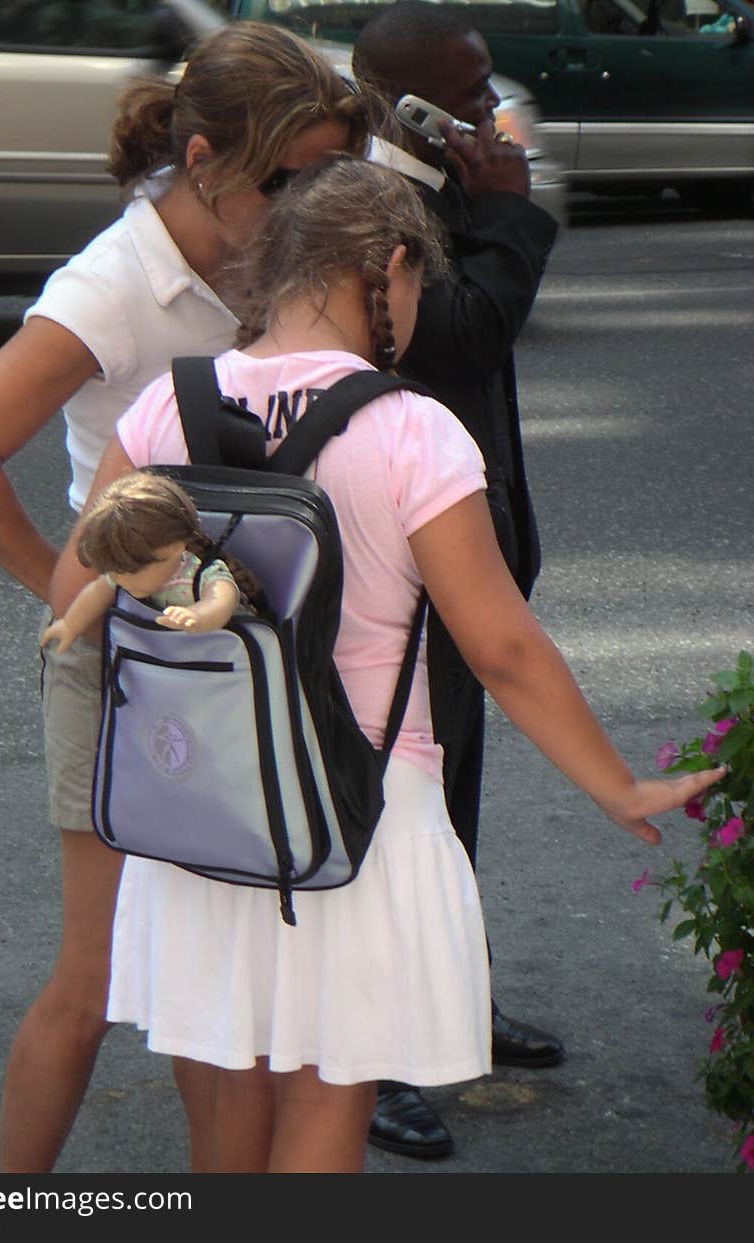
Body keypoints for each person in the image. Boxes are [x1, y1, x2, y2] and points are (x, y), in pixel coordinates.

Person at [48, 154, 724, 1175]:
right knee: (328, 1093)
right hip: (352, 809)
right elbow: (499, 644)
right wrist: (617, 784)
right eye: (416, 286)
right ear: (391, 266)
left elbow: (75, 592)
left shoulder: (165, 409)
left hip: (200, 804)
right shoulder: (413, 432)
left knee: (235, 1082)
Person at [0, 20, 367, 1174]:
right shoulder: (114, 285)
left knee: (213, 973)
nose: (315, 200)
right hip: (129, 658)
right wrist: (72, 598)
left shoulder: (268, 249)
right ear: (207, 158)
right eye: (289, 177)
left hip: (238, 645)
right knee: (101, 973)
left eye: (330, 173)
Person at [352, 0, 565, 1157]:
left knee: (452, 810)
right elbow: (460, 335)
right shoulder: (361, 208)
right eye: (469, 90)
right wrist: (508, 216)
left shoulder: (436, 193)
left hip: (461, 561)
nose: (491, 107)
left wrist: (485, 206)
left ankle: (446, 1004)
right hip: (391, 578)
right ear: (408, 105)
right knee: (402, 820)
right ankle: (378, 1057)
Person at [40, 472, 255, 653]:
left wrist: (197, 616)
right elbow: (95, 593)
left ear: (174, 548)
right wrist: (70, 625)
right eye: (115, 571)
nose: (122, 579)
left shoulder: (202, 575)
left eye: (133, 570)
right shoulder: (123, 576)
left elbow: (221, 603)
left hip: (223, 659)